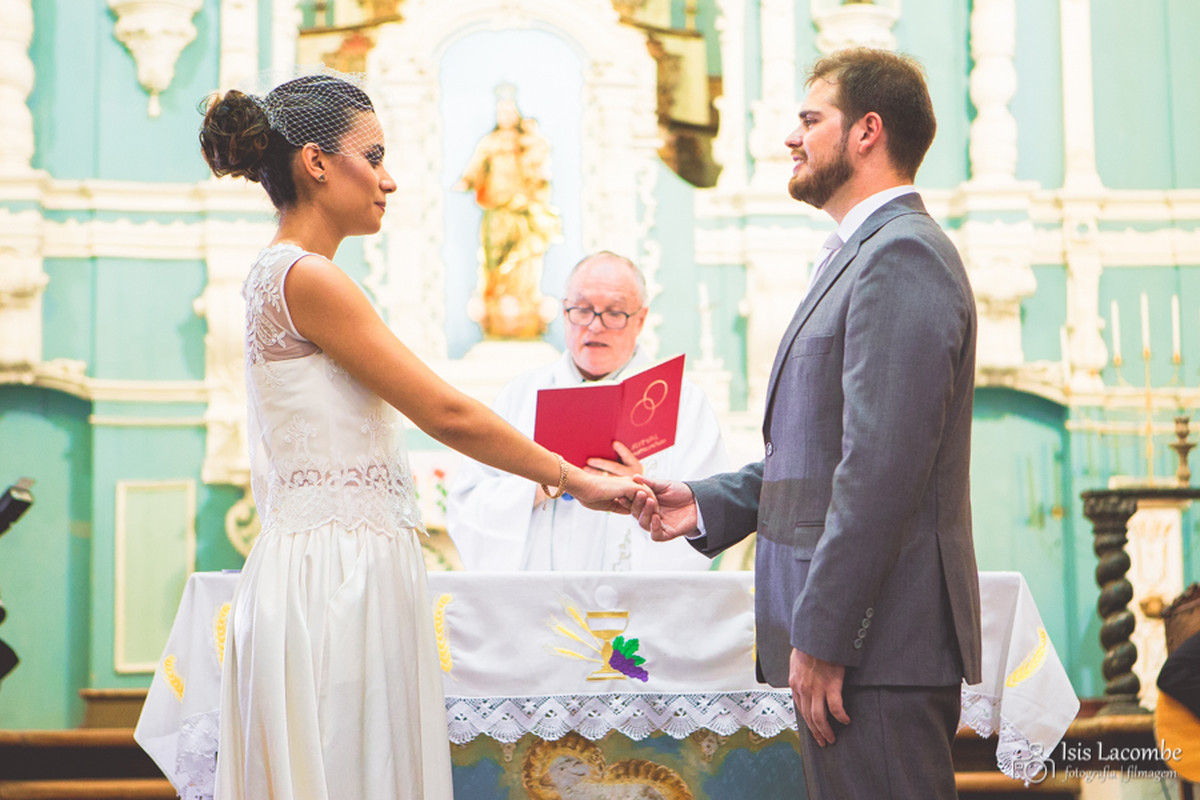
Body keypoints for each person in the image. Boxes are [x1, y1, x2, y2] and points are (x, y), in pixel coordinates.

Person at [198, 71, 638, 800]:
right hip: (335, 574)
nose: (388, 180)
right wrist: (578, 478)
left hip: (329, 560)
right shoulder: (309, 277)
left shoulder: (283, 274)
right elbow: (446, 413)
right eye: (371, 157)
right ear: (315, 162)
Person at [630, 48, 981, 799]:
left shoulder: (902, 255)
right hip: (864, 650)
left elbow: (881, 471)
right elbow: (823, 456)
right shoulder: (863, 255)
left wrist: (824, 635)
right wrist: (705, 503)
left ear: (867, 132)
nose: (793, 138)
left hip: (874, 650)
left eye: (809, 119)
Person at [447, 252, 728, 571]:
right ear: (565, 313)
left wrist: (642, 491)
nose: (595, 326)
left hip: (638, 609)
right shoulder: (521, 395)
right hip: (540, 608)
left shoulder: (684, 404)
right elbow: (468, 507)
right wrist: (545, 483)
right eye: (582, 310)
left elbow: (702, 516)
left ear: (641, 318)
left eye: (615, 312)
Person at [454, 84, 561, 339]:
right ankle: (496, 296)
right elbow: (476, 166)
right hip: (496, 210)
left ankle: (526, 298)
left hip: (523, 210)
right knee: (495, 259)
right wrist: (467, 181)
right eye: (501, 112)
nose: (506, 117)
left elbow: (540, 166)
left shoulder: (526, 142)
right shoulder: (489, 142)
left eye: (509, 112)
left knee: (525, 259)